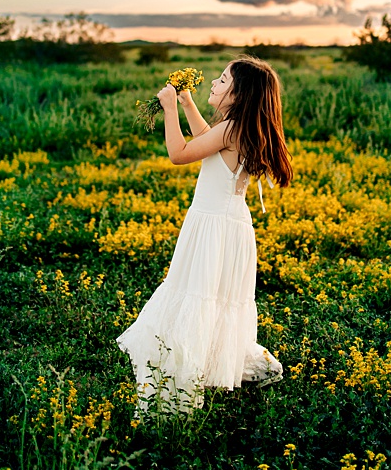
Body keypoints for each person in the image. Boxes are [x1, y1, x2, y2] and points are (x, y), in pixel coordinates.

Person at [117, 56, 293, 413]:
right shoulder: (235, 126)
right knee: (211, 297)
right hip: (227, 224)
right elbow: (205, 141)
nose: (214, 82)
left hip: (214, 224)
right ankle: (209, 365)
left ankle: (182, 382)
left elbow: (179, 154)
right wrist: (186, 103)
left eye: (223, 80)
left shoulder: (231, 128)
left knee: (197, 295)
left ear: (239, 94)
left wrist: (168, 109)